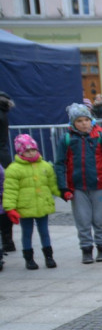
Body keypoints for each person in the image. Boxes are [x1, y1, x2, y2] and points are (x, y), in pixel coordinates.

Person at [55, 103, 102, 264]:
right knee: (82, 219)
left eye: (86, 120)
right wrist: (62, 186)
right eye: (79, 121)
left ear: (91, 120)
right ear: (73, 123)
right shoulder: (67, 139)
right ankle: (86, 248)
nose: (84, 124)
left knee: (100, 219)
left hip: (99, 185)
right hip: (77, 187)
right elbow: (60, 163)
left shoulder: (101, 137)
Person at [3, 135, 60, 270]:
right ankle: (29, 258)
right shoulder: (14, 169)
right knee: (27, 232)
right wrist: (10, 208)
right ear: (20, 152)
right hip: (25, 207)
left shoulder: (45, 166)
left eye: (33, 150)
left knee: (44, 231)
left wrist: (64, 193)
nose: (31, 153)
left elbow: (52, 184)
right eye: (27, 151)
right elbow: (10, 190)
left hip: (42, 205)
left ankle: (49, 256)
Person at [0, 91, 14, 254]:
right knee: (4, 200)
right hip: (4, 157)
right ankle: (7, 238)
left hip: (2, 159)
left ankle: (6, 238)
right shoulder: (4, 111)